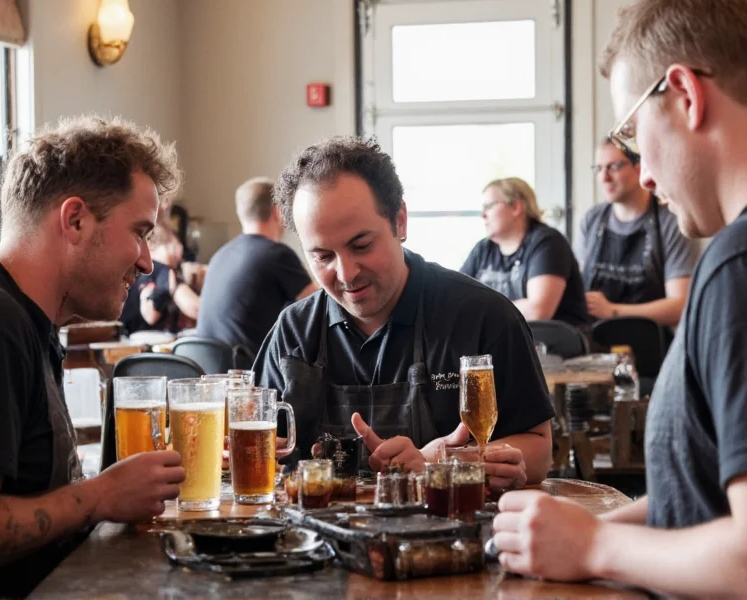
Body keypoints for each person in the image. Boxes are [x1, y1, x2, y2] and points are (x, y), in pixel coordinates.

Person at [493, 1, 747, 596]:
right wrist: (587, 525)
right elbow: (699, 499)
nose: (645, 174)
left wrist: (595, 546)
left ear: (685, 93)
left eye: (631, 132)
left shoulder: (734, 268)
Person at [0, 116, 186, 597]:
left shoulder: (25, 319)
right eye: (140, 232)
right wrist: (102, 495)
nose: (147, 261)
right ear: (74, 220)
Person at [253, 136, 554, 489]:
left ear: (400, 221)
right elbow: (256, 449)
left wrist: (439, 462)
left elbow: (538, 450)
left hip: (449, 535)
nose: (346, 273)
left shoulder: (482, 317)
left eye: (361, 245)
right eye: (322, 257)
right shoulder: (293, 332)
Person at [577, 138, 697, 327]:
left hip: (651, 347)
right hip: (595, 346)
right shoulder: (592, 219)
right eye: (599, 168)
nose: (604, 177)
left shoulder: (670, 221)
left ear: (639, 167)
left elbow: (680, 305)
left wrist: (612, 311)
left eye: (613, 167)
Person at [196, 177, 318, 354]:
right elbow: (317, 305)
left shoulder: (220, 254)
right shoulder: (277, 254)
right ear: (277, 212)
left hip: (207, 369)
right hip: (247, 371)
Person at [459, 177, 590, 327]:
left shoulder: (547, 242)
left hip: (555, 345)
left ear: (516, 207)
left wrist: (478, 308)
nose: (483, 215)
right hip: (505, 341)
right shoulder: (483, 249)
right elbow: (457, 300)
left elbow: (538, 311)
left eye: (489, 206)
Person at [120, 222, 200, 334]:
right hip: (150, 342)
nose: (178, 255)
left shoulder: (134, 269)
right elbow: (195, 308)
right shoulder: (162, 269)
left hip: (125, 338)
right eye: (173, 246)